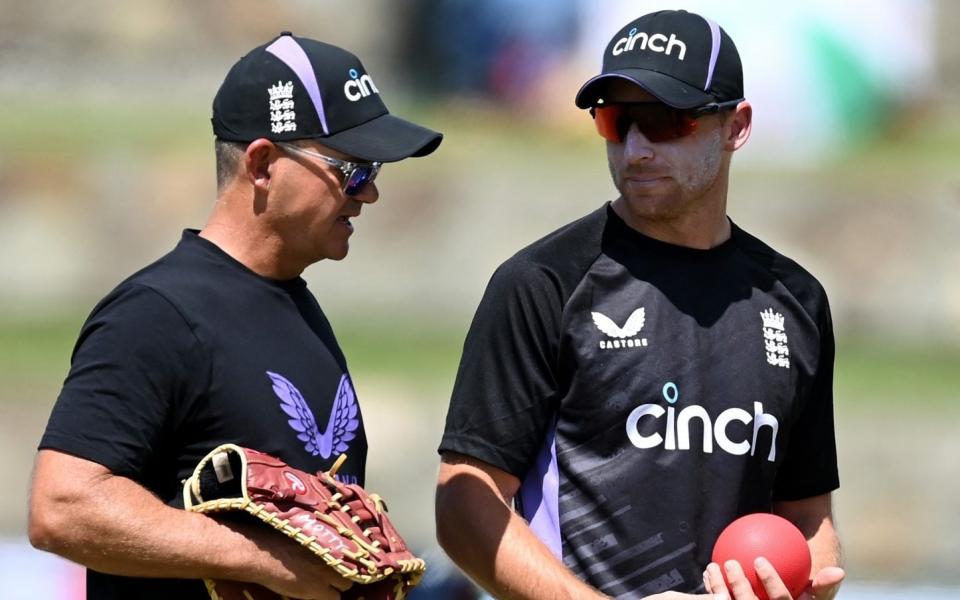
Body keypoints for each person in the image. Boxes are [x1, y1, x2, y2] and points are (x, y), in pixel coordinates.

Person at [435, 10, 844, 600]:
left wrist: (807, 585)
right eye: (615, 121)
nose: (636, 147)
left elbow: (808, 517)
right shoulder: (543, 282)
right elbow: (465, 501)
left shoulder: (797, 300)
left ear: (737, 126)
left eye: (664, 121)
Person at [28, 32, 441, 600]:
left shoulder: (294, 306)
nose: (368, 194)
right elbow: (62, 506)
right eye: (353, 169)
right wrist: (264, 559)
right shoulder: (158, 314)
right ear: (264, 164)